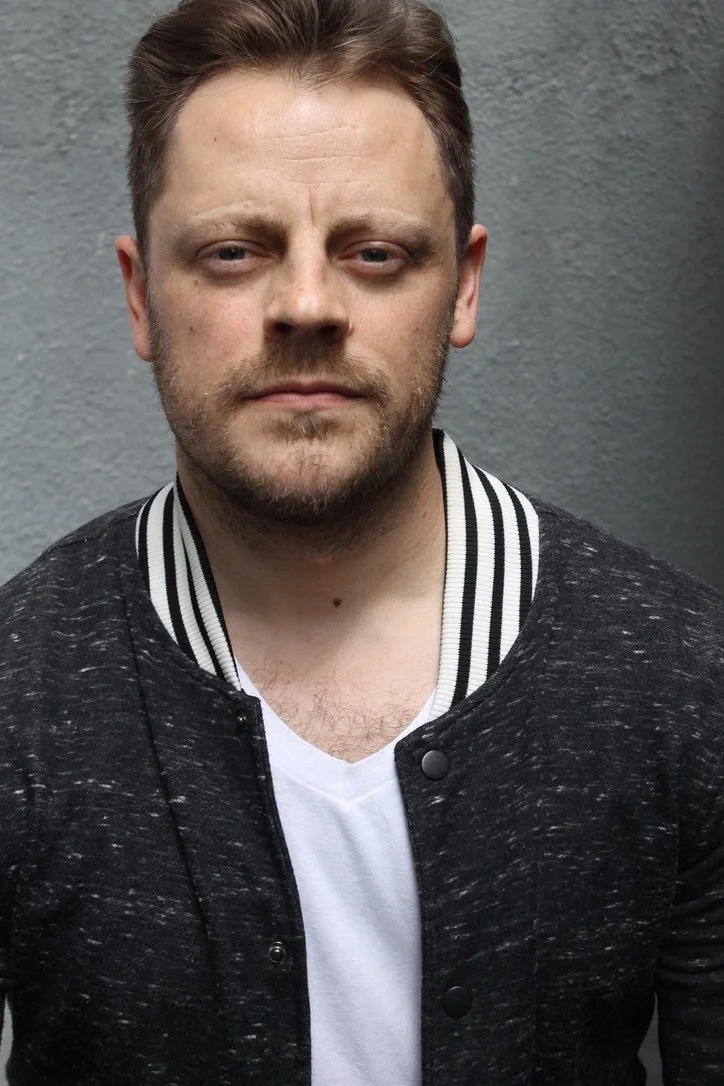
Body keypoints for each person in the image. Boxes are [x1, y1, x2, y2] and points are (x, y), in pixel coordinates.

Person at [0, 0, 722, 1081]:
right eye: (235, 250)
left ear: (463, 286)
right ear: (141, 294)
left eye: (375, 252)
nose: (305, 303)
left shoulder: (678, 677)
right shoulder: (20, 686)